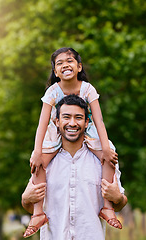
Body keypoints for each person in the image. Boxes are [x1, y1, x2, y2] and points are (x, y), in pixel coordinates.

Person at [23, 48, 122, 238]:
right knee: (38, 162)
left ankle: (107, 207)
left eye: (69, 61)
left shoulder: (88, 89)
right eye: (59, 63)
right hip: (55, 130)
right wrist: (37, 151)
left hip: (89, 130)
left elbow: (99, 120)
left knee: (109, 155)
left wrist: (106, 148)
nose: (64, 65)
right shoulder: (52, 91)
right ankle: (37, 214)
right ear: (55, 71)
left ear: (79, 67)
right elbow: (42, 123)